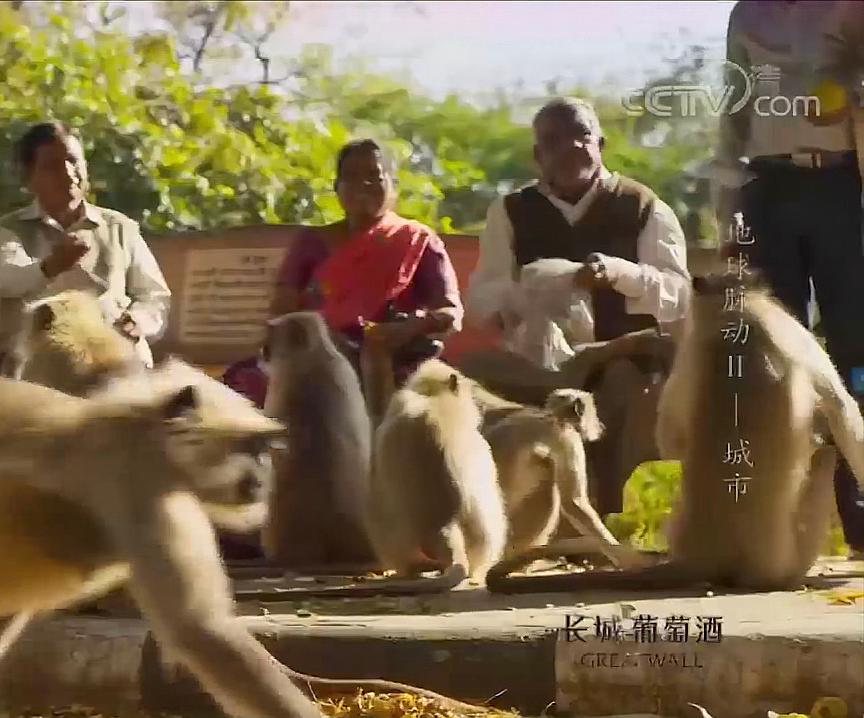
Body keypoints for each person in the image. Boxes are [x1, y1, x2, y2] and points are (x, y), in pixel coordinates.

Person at [462, 97, 691, 517]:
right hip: (538, 363)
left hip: (622, 358)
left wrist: (619, 274)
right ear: (537, 155)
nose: (569, 148)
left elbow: (677, 294)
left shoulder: (642, 206)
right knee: (467, 384)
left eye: (581, 136)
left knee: (625, 390)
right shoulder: (511, 211)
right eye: (553, 140)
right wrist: (534, 289)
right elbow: (482, 298)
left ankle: (612, 525)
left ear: (600, 142)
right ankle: (504, 522)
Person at [713, 0, 864, 559]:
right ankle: (773, 531)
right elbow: (733, 115)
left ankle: (861, 524)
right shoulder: (747, 14)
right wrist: (726, 209)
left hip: (844, 190)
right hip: (767, 192)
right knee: (773, 360)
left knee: (857, 355)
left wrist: (849, 96)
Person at [221, 138, 465, 409]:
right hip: (317, 357)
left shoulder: (417, 239)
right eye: (351, 177)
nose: (363, 185)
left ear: (392, 184)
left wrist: (408, 328)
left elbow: (451, 312)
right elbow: (282, 312)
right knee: (242, 382)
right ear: (337, 188)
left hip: (392, 358)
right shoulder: (311, 242)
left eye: (374, 176)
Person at [0, 121, 172, 368]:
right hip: (43, 377)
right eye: (52, 166)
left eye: (73, 161)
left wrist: (137, 321)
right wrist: (51, 266)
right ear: (29, 179)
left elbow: (155, 296)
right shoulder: (9, 229)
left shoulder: (119, 227)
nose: (68, 174)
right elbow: (4, 279)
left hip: (120, 369)